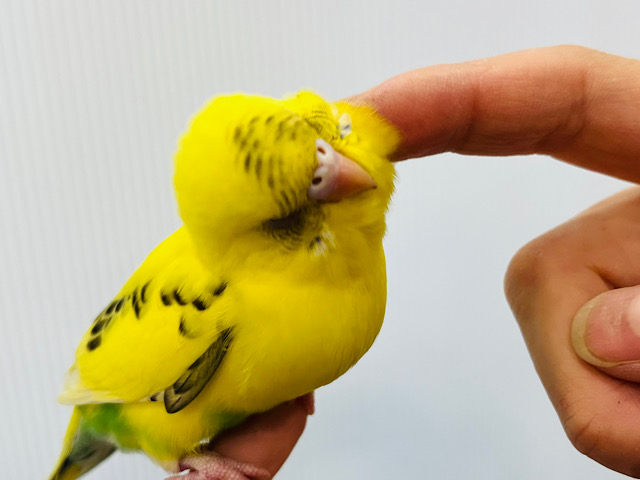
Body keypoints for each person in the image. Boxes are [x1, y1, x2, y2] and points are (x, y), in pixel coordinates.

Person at [206, 45, 640, 479]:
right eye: (291, 210)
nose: (339, 168)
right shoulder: (210, 294)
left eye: (328, 136)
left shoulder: (351, 270)